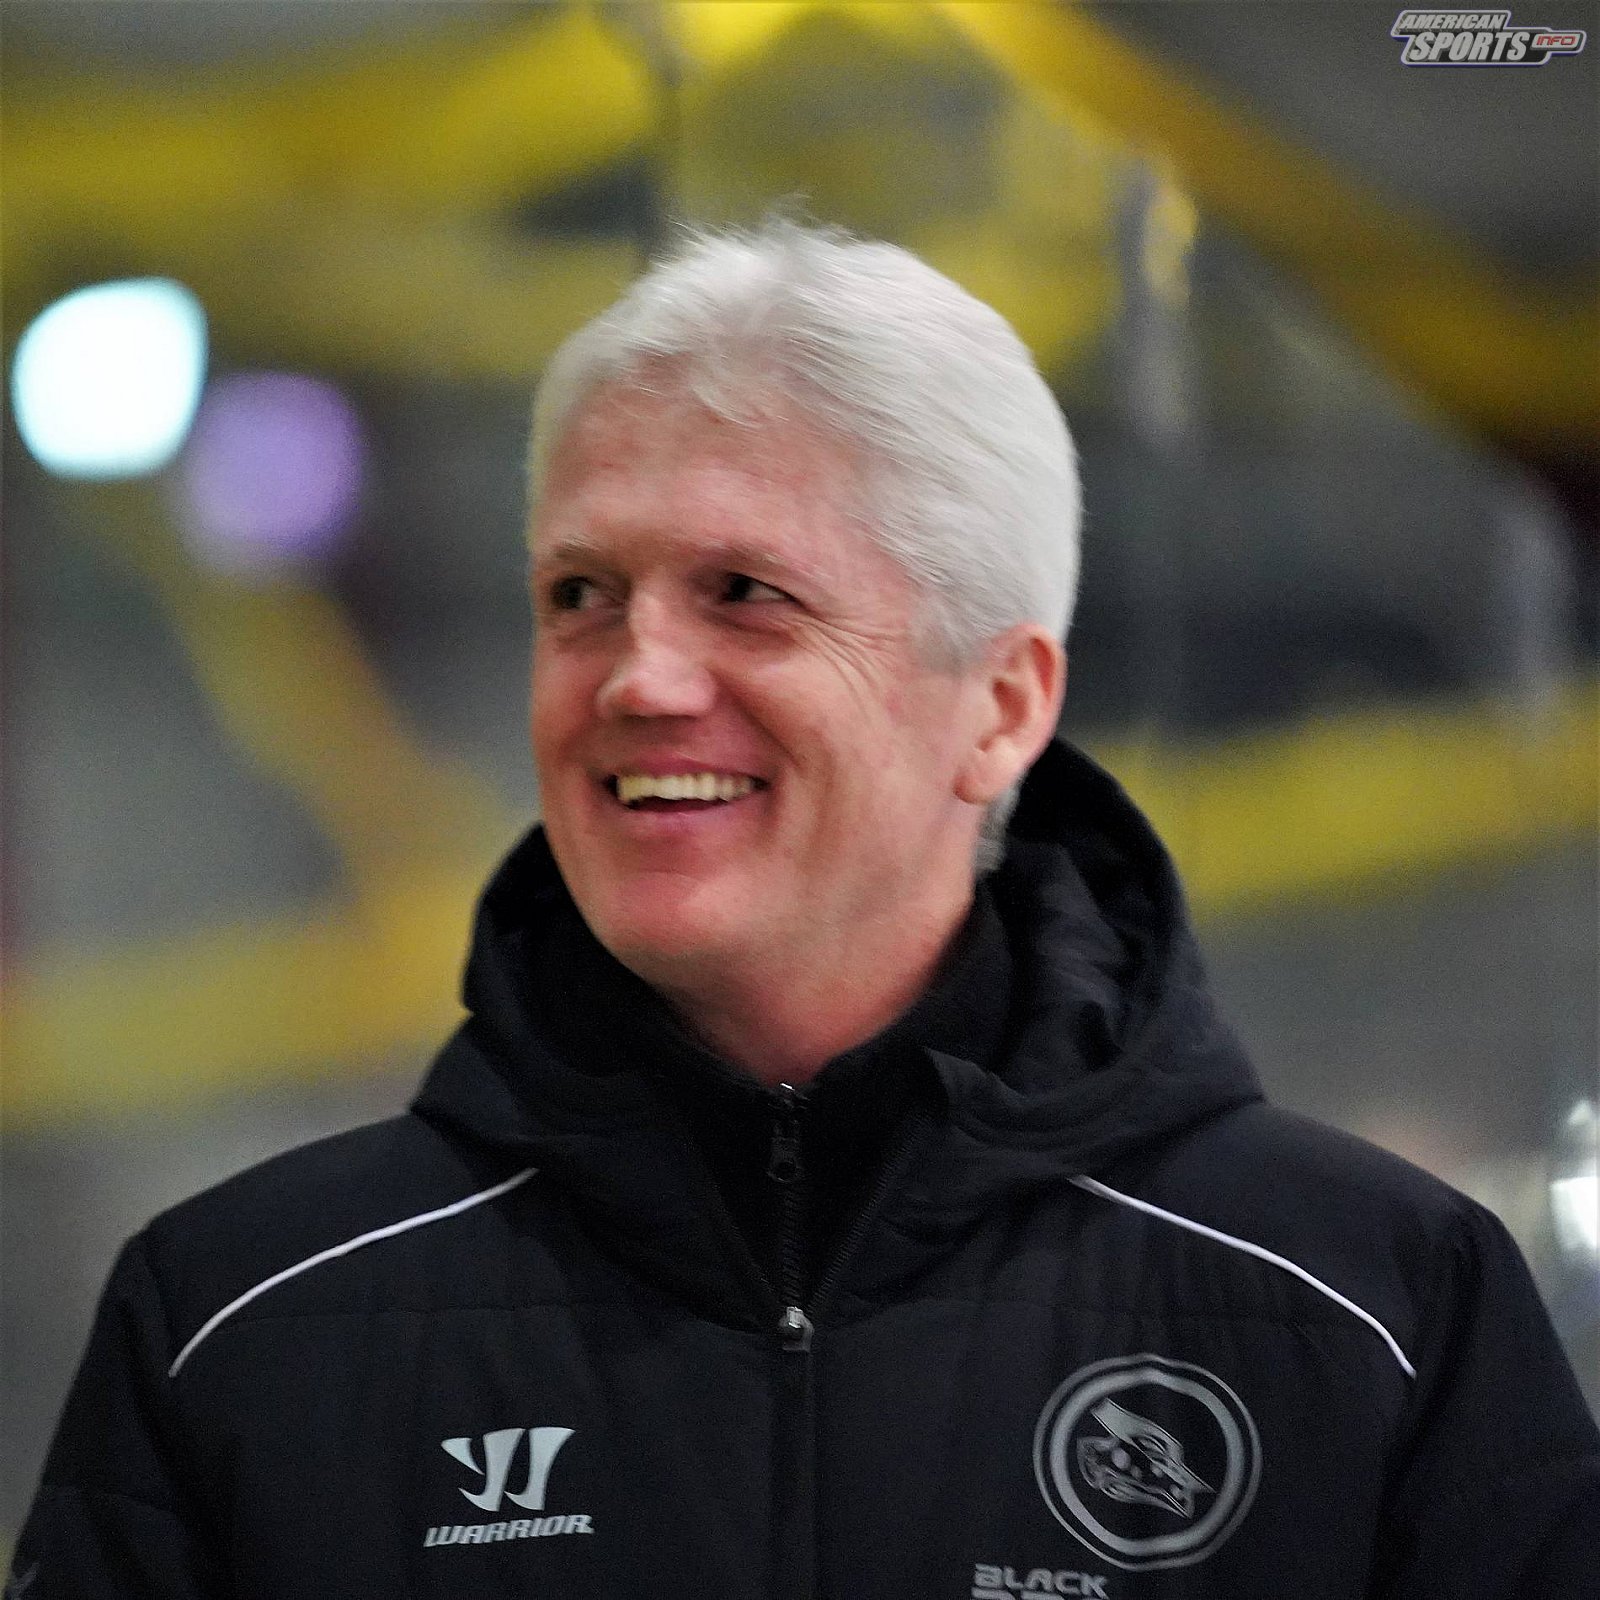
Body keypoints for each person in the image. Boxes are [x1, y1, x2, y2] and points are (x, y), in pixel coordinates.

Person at [14, 221, 1598, 1598]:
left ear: (1001, 706)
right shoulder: (239, 1322)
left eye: (746, 594)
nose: (638, 677)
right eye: (581, 595)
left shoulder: (1379, 1310)